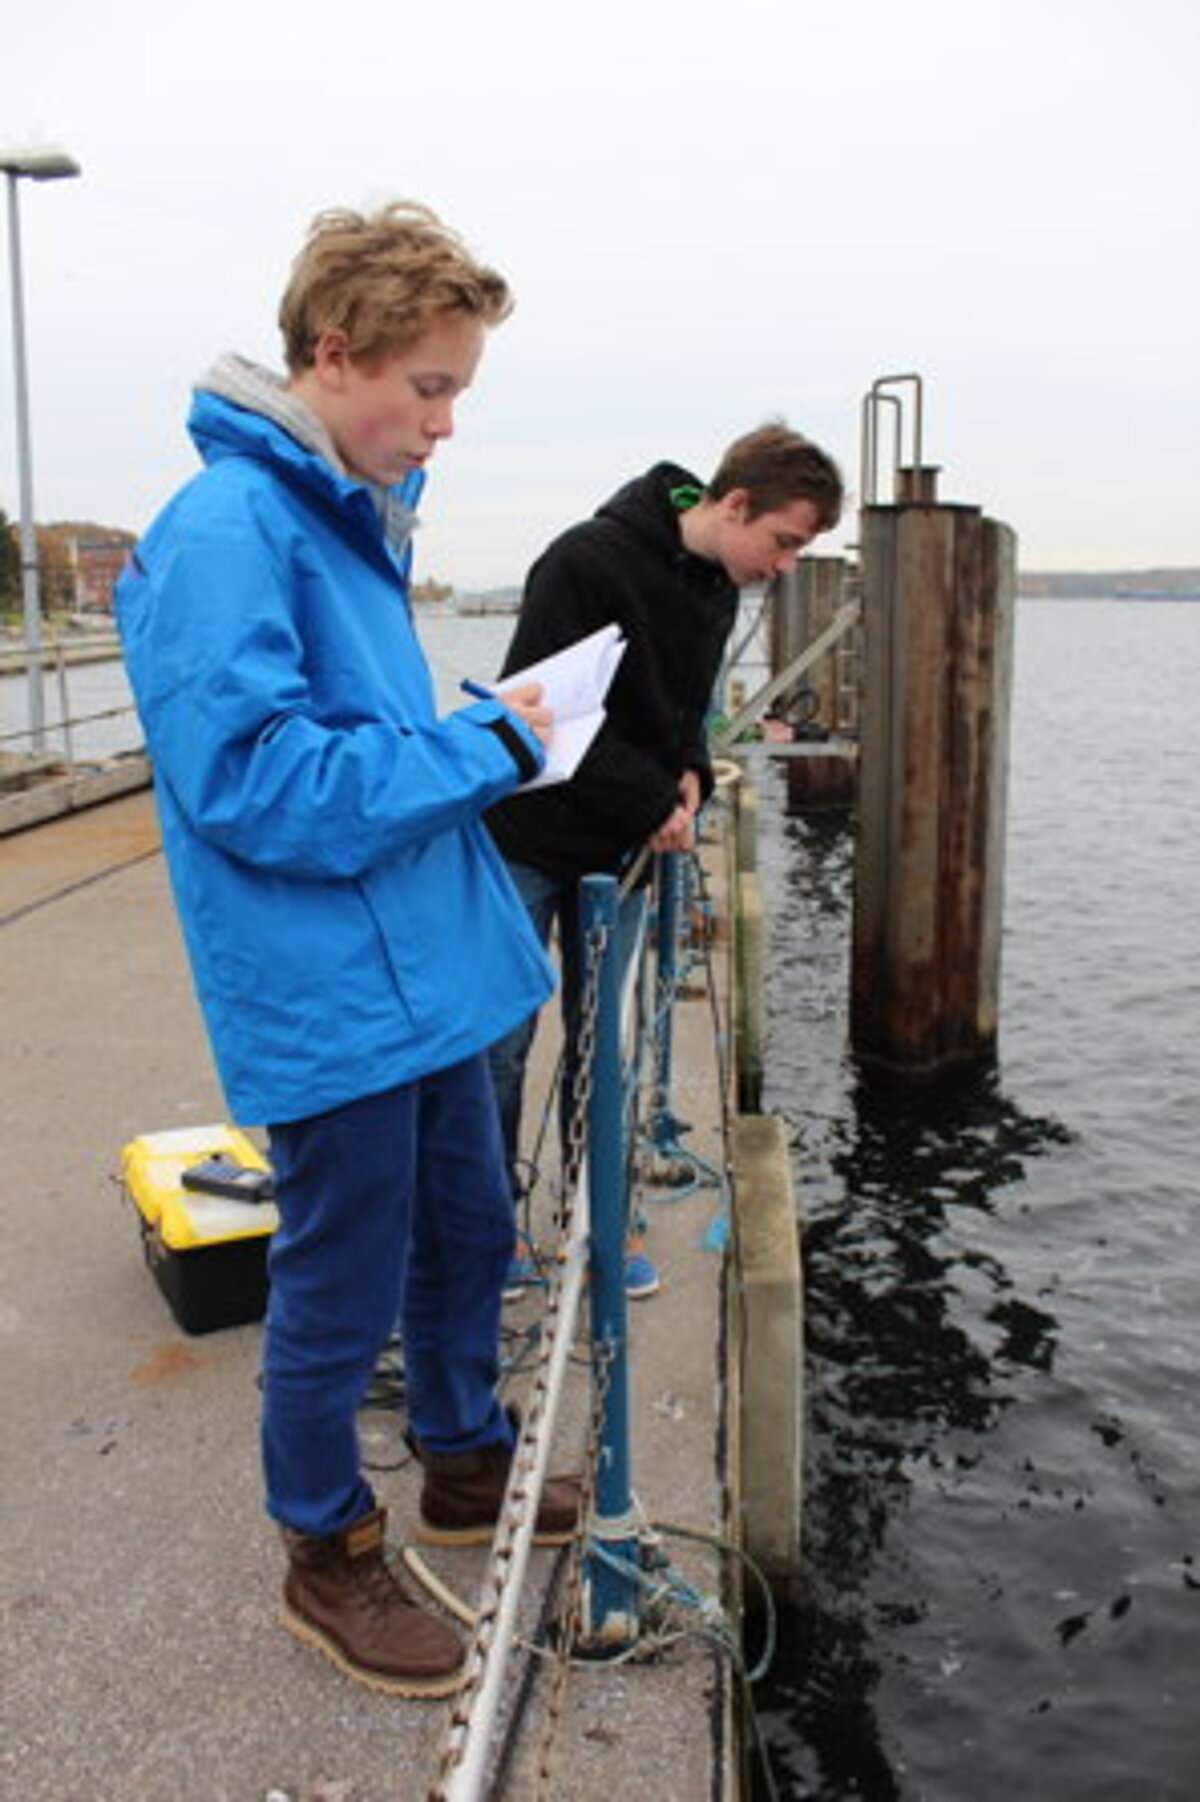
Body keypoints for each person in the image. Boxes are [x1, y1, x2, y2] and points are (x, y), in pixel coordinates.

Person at [116, 200, 580, 1700]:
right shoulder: (229, 529)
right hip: (328, 993)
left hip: (421, 973)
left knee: (466, 1220)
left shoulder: (339, 525)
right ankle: (324, 1547)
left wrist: (468, 738)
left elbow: (357, 746)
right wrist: (483, 746)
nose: (444, 426)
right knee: (337, 1274)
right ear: (335, 352)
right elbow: (253, 781)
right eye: (430, 387)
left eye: (460, 393)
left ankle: (460, 1456)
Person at [486, 424, 844, 1295]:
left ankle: (595, 1222)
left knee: (603, 1048)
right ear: (733, 505)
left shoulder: (718, 585)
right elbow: (544, 715)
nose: (789, 565)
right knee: (495, 1046)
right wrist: (654, 799)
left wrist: (690, 778)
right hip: (528, 841)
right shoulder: (584, 562)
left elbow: (682, 714)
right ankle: (487, 1239)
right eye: (786, 541)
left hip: (618, 855)